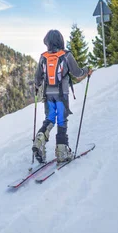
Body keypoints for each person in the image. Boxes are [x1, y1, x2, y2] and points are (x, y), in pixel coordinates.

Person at [33, 29, 92, 163]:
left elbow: (38, 78)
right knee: (61, 120)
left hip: (48, 94)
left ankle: (40, 138)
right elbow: (77, 73)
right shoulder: (66, 55)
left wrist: (37, 87)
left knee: (50, 118)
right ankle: (61, 152)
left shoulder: (43, 57)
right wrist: (87, 71)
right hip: (62, 94)